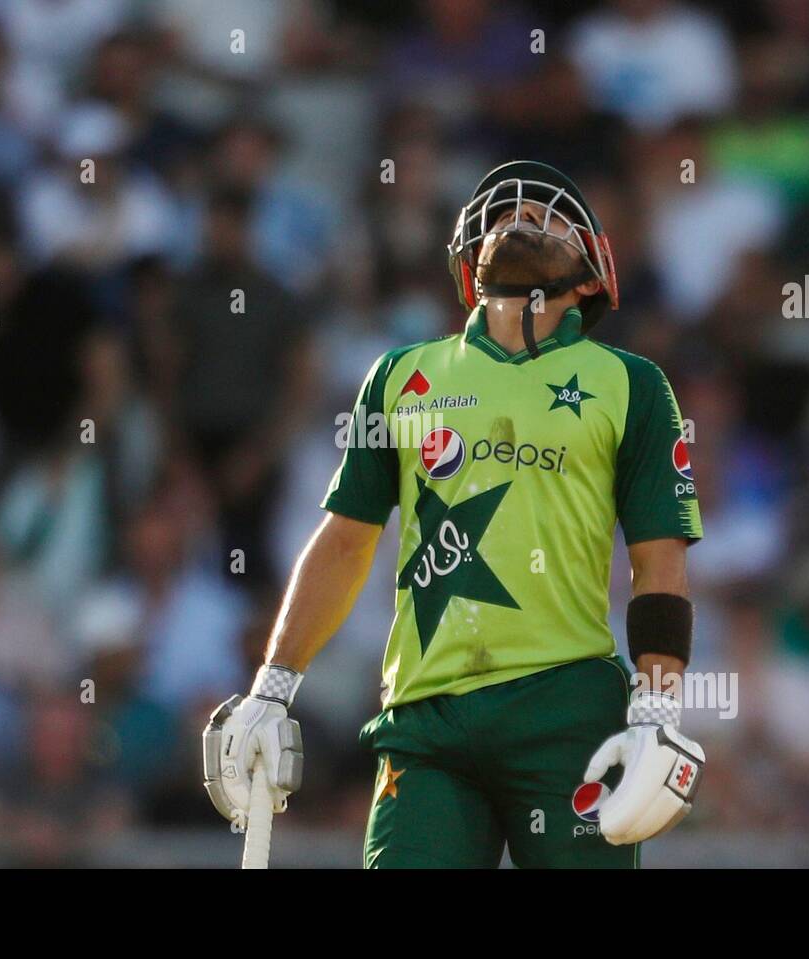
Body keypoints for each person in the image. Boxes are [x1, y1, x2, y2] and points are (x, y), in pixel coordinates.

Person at [204, 161, 706, 868]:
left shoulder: (633, 384)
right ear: (469, 263)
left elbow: (660, 560)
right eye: (507, 212)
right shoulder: (400, 374)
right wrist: (272, 687)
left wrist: (658, 712)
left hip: (567, 710)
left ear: (592, 276)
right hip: (426, 717)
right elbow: (346, 540)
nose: (524, 216)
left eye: (548, 215)